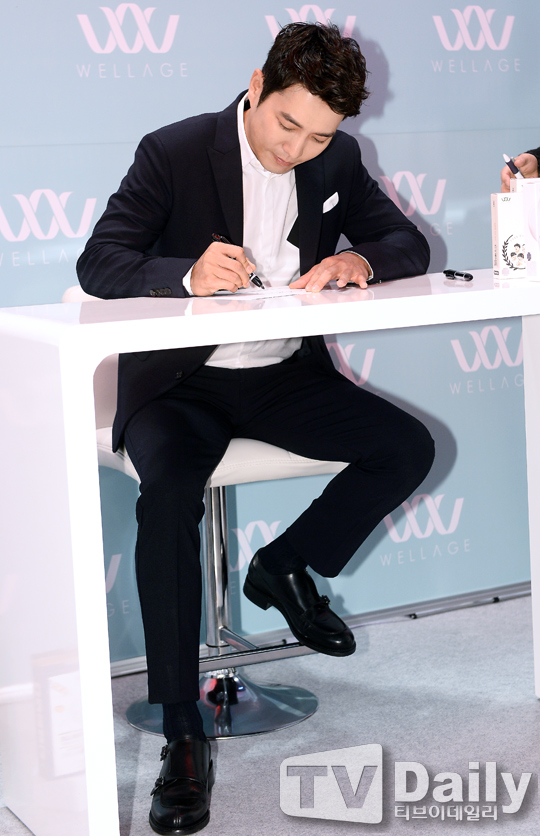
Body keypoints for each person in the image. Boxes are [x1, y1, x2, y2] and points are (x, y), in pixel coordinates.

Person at [77, 22, 435, 834]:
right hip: (181, 385)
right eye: (287, 125)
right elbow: (100, 262)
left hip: (282, 377)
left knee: (406, 447)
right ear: (256, 86)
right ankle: (183, 732)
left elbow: (405, 241)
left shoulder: (336, 160)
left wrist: (361, 261)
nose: (296, 150)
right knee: (171, 495)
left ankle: (282, 565)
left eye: (318, 137)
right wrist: (184, 274)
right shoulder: (173, 150)